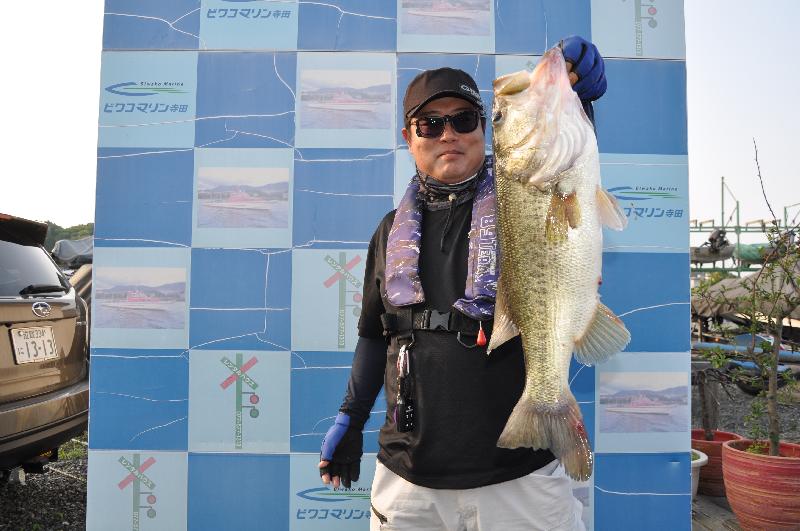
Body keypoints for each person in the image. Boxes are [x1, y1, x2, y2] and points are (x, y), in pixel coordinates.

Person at [318, 36, 607, 531]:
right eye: (430, 124)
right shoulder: (389, 231)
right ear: (408, 138)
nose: (448, 134)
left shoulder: (523, 192)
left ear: (484, 130)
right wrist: (350, 418)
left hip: (521, 476)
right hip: (408, 479)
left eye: (464, 119)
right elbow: (374, 334)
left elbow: (560, 169)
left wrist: (577, 97)